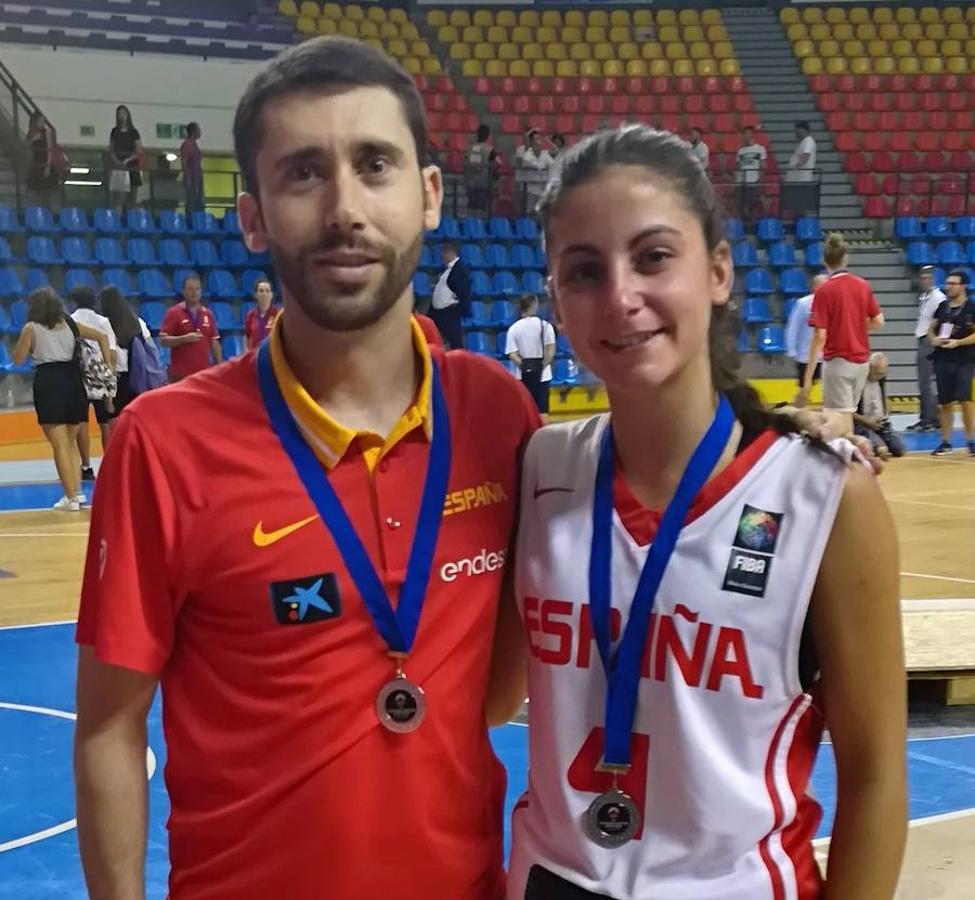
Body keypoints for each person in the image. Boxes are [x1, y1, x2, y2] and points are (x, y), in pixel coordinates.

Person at [74, 36, 541, 900]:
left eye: (375, 166)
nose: (344, 208)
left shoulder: (495, 414)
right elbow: (108, 727)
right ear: (252, 217)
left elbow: (498, 688)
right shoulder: (163, 440)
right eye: (302, 174)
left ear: (428, 194)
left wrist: (777, 428)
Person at [504, 125, 906, 900]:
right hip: (550, 879)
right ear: (555, 294)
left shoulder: (826, 497)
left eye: (653, 257)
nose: (620, 296)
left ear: (717, 270)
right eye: (583, 270)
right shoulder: (541, 468)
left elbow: (876, 779)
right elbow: (489, 695)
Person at [11, 288, 112, 511]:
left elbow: (18, 359)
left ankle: (71, 498)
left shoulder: (31, 328)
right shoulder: (69, 323)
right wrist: (107, 369)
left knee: (59, 445)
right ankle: (77, 494)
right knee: (69, 442)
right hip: (74, 381)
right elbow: (102, 337)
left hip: (49, 382)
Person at [799, 233, 885, 433]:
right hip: (861, 363)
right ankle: (851, 458)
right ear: (845, 258)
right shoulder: (863, 285)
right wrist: (855, 326)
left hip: (838, 362)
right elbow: (879, 321)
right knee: (846, 417)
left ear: (824, 261)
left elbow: (820, 336)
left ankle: (849, 460)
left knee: (839, 421)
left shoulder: (824, 290)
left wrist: (807, 379)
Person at [70, 285, 118, 481]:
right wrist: (110, 378)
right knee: (105, 422)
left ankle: (86, 465)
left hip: (78, 376)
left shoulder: (70, 321)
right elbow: (113, 352)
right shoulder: (103, 322)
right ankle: (109, 465)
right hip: (101, 375)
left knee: (82, 422)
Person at [927, 269, 975, 456]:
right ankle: (945, 442)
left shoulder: (971, 307)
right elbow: (931, 329)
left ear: (962, 286)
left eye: (953, 283)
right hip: (943, 359)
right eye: (947, 283)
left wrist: (959, 342)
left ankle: (971, 441)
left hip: (966, 360)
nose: (948, 286)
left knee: (966, 401)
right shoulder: (943, 306)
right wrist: (934, 339)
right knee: (944, 403)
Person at [99, 285, 156, 414]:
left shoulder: (105, 324)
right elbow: (151, 347)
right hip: (138, 375)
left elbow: (111, 358)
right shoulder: (138, 321)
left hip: (118, 377)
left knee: (117, 419)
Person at [158, 273, 222, 381]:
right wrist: (183, 339)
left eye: (197, 289)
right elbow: (163, 340)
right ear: (184, 291)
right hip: (180, 376)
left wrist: (220, 366)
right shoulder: (174, 312)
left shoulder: (208, 314)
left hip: (203, 374)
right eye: (191, 289)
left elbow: (214, 342)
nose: (195, 292)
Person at [908, 265, 945, 433]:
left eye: (928, 278)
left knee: (925, 383)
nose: (925, 281)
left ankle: (926, 420)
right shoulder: (924, 296)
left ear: (933, 279)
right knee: (926, 383)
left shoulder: (938, 298)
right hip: (922, 338)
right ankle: (934, 418)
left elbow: (944, 320)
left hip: (929, 341)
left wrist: (938, 340)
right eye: (922, 278)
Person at [505, 293, 556, 415]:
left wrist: (525, 366)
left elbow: (512, 353)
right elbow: (550, 350)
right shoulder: (546, 326)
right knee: (543, 409)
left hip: (523, 375)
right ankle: (543, 433)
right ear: (535, 305)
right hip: (543, 375)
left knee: (526, 410)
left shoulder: (514, 328)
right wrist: (542, 366)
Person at [854, 353, 905, 460]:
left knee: (899, 449)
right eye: (877, 373)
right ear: (869, 368)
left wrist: (886, 412)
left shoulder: (881, 379)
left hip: (881, 424)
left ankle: (877, 442)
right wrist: (865, 420)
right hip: (862, 425)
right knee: (880, 448)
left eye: (882, 373)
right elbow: (848, 411)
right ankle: (875, 444)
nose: (880, 376)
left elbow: (884, 399)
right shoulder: (857, 381)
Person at [784, 272, 827, 385]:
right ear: (814, 287)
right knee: (805, 388)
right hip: (805, 355)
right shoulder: (803, 304)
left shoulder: (834, 303)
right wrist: (792, 349)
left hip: (828, 356)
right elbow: (793, 327)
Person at [430, 241, 471, 350]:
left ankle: (459, 362)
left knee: (455, 341)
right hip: (439, 312)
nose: (442, 257)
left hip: (449, 312)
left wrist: (457, 300)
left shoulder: (460, 270)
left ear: (449, 253)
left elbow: (463, 289)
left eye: (443, 254)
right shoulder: (448, 269)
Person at [108, 105, 143, 213]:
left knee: (132, 197)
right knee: (119, 197)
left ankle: (132, 219)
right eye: (119, 114)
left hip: (131, 166)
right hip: (119, 167)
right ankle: (118, 219)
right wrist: (116, 161)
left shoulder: (133, 132)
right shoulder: (115, 131)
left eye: (124, 113)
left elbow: (139, 150)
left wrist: (127, 160)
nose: (122, 116)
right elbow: (111, 149)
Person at [26, 111, 62, 209]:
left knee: (49, 192)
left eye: (43, 121)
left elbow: (49, 150)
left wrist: (48, 166)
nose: (42, 123)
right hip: (36, 164)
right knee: (36, 194)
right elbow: (28, 148)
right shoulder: (32, 134)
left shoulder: (47, 132)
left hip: (45, 163)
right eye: (40, 121)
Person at [518, 129, 554, 215]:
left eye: (539, 139)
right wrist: (543, 167)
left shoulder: (546, 154)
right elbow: (536, 166)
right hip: (531, 190)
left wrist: (548, 141)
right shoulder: (527, 155)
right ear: (531, 142)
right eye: (535, 139)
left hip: (544, 190)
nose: (537, 141)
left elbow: (554, 165)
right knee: (530, 214)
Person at [734, 126, 765, 224]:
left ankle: (752, 222)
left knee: (751, 203)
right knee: (740, 203)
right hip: (741, 181)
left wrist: (760, 179)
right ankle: (743, 223)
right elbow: (737, 167)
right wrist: (735, 180)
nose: (745, 136)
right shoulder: (741, 151)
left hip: (753, 180)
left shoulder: (760, 149)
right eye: (744, 134)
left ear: (752, 134)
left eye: (747, 133)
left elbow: (763, 166)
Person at [465, 123, 497, 216]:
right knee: (481, 208)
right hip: (483, 182)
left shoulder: (470, 148)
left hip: (470, 181)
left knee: (471, 206)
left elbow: (465, 161)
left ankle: (470, 224)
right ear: (488, 135)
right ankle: (478, 226)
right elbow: (497, 163)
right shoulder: (489, 149)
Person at [243, 277, 281, 350]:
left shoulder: (278, 314)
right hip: (255, 356)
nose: (264, 294)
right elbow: (246, 336)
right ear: (255, 295)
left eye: (267, 291)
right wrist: (246, 352)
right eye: (261, 291)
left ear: (271, 295)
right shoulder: (251, 315)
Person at [180, 121, 205, 217]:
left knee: (198, 203)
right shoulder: (187, 145)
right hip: (192, 178)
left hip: (198, 177)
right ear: (194, 131)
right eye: (198, 130)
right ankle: (191, 222)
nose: (200, 132)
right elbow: (184, 162)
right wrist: (188, 178)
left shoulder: (194, 145)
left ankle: (198, 221)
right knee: (192, 202)